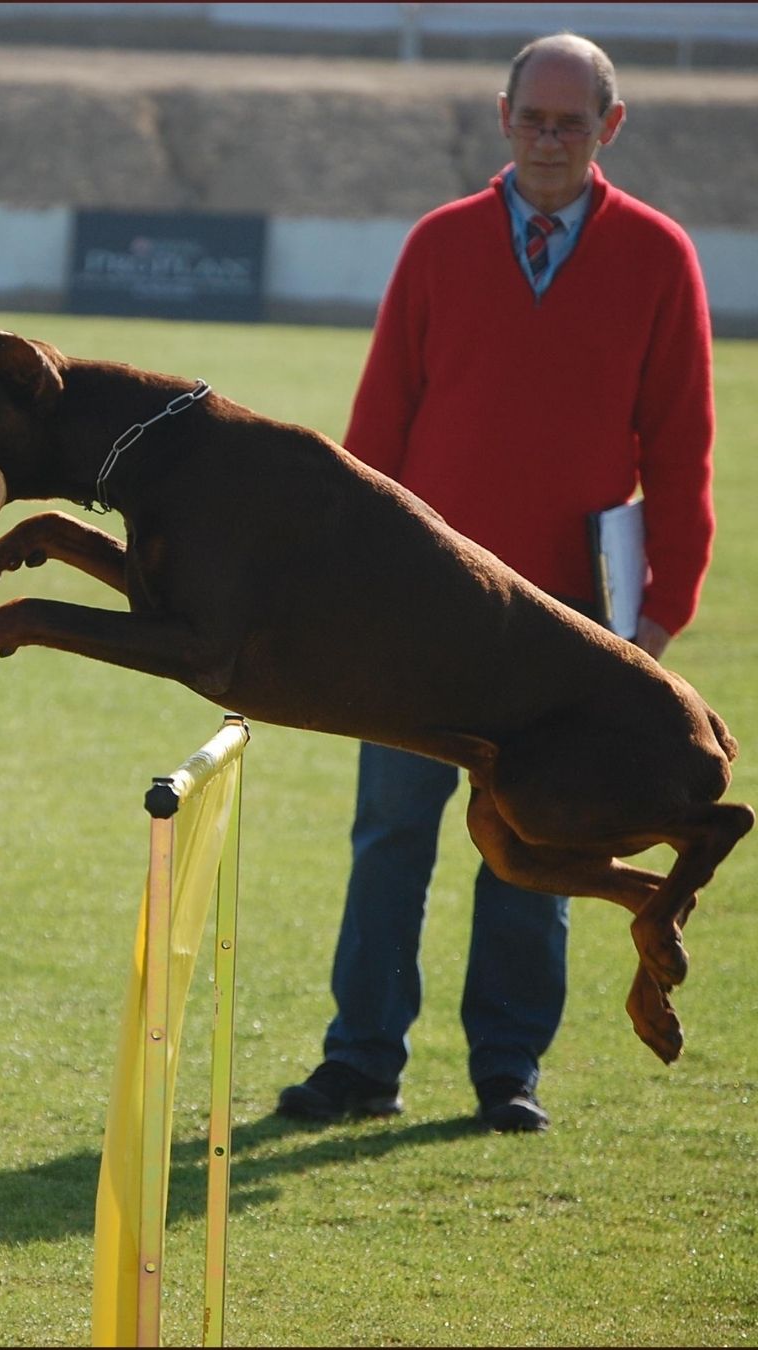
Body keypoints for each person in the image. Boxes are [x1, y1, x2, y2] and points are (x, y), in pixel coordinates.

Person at [277, 33, 716, 1133]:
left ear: (610, 127)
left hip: (566, 638)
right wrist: (340, 594)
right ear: (503, 117)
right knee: (390, 839)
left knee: (546, 851)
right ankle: (362, 1062)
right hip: (412, 628)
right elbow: (373, 438)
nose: (552, 140)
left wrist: (658, 619)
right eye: (535, 119)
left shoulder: (660, 258)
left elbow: (681, 452)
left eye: (574, 122)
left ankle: (505, 1072)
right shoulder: (439, 245)